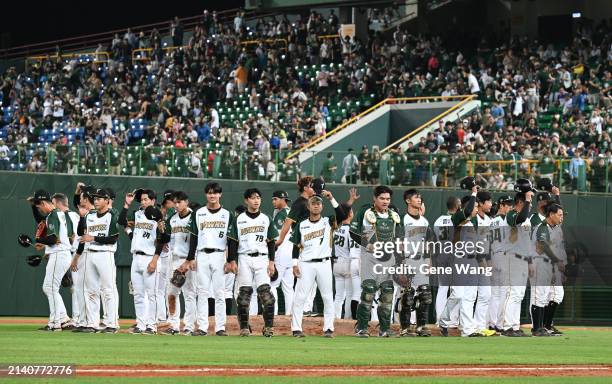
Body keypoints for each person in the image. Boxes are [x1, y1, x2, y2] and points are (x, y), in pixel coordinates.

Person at [179, 182, 233, 336]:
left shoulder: (227, 214)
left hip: (219, 255)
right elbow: (193, 237)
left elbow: (231, 240)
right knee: (202, 292)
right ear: (206, 195)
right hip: (201, 254)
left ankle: (220, 327)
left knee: (219, 293)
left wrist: (230, 260)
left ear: (220, 194)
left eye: (215, 193)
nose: (212, 195)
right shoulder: (199, 213)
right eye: (209, 193)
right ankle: (202, 327)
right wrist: (190, 258)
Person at [350, 185, 404, 338]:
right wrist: (367, 244)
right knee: (368, 292)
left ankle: (385, 329)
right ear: (375, 198)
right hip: (370, 258)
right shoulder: (365, 211)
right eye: (382, 198)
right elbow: (353, 232)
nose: (385, 201)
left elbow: (399, 237)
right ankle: (361, 328)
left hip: (389, 258)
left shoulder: (394, 215)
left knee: (387, 294)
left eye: (388, 199)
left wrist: (400, 259)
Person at [291, 191, 344, 337]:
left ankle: (328, 329)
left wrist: (332, 198)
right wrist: (294, 264)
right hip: (306, 264)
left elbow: (342, 215)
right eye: (313, 203)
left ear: (322, 206)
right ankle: (296, 329)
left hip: (324, 263)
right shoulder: (302, 225)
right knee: (300, 297)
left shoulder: (328, 221)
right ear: (308, 206)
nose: (316, 206)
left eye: (318, 203)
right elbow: (296, 245)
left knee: (327, 297)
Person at [227, 188, 278, 337]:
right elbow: (233, 242)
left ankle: (268, 327)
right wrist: (232, 260)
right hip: (244, 257)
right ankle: (244, 327)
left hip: (262, 257)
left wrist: (272, 261)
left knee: (266, 295)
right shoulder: (239, 219)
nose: (256, 200)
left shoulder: (266, 218)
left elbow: (271, 242)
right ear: (246, 200)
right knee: (243, 296)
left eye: (258, 197)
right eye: (252, 197)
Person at [119, 189, 169, 334]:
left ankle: (152, 326)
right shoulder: (137, 213)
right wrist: (127, 204)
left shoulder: (159, 216)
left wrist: (155, 260)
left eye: (146, 199)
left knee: (152, 294)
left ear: (153, 200)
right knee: (138, 294)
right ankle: (141, 324)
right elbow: (121, 221)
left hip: (150, 257)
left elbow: (163, 239)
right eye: (141, 199)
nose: (143, 202)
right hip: (136, 257)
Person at [76, 188, 120, 333]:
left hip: (105, 253)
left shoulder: (112, 214)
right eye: (95, 198)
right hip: (90, 253)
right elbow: (79, 233)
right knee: (91, 291)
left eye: (99, 198)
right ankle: (93, 323)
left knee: (108, 289)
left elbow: (113, 238)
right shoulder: (90, 215)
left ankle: (112, 323)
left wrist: (94, 238)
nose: (96, 200)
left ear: (107, 201)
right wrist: (82, 217)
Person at [31, 189, 74, 331]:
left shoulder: (53, 215)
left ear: (43, 203)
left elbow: (54, 238)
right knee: (50, 288)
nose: (40, 209)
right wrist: (44, 243)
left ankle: (54, 323)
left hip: (59, 254)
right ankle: (62, 318)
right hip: (63, 253)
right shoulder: (62, 215)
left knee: (50, 288)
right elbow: (69, 236)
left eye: (39, 206)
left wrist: (39, 240)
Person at [497, 190, 534, 337]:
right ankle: (506, 327)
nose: (530, 205)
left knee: (519, 294)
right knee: (512, 293)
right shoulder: (511, 214)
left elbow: (528, 243)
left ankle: (514, 325)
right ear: (520, 202)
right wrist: (528, 199)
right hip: (512, 257)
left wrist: (530, 261)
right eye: (526, 202)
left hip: (523, 259)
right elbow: (520, 217)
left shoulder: (527, 219)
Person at [164, 191, 197, 335]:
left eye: (179, 202)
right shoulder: (172, 218)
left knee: (189, 294)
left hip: (189, 260)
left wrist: (191, 259)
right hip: (175, 258)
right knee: (171, 293)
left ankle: (189, 326)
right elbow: (168, 237)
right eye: (175, 202)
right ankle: (173, 325)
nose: (176, 205)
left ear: (186, 202)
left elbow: (197, 240)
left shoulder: (194, 217)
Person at [532, 203, 566, 337]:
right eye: (560, 215)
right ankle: (537, 329)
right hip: (539, 263)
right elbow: (543, 246)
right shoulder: (542, 227)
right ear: (551, 215)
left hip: (549, 264)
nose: (562, 217)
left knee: (547, 296)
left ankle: (543, 327)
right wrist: (557, 261)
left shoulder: (554, 228)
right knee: (539, 296)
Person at [487, 195, 514, 334]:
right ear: (501, 205)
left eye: (511, 204)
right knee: (504, 292)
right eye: (507, 205)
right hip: (503, 256)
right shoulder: (506, 221)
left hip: (493, 256)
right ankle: (500, 324)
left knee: (494, 293)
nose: (510, 207)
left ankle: (492, 323)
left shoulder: (491, 221)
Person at [433, 196, 460, 327]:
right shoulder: (458, 220)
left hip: (441, 255)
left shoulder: (438, 220)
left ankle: (439, 320)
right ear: (457, 206)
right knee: (455, 290)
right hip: (453, 255)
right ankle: (452, 320)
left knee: (442, 289)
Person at [332, 201, 361, 320]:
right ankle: (348, 320)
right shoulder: (351, 230)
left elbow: (341, 211)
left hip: (336, 262)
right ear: (350, 214)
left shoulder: (335, 228)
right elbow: (352, 248)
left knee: (338, 295)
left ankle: (335, 319)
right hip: (348, 262)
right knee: (349, 294)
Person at [270, 191, 294, 316]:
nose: (273, 201)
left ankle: (273, 315)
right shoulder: (289, 211)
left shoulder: (282, 214)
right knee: (288, 287)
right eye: (273, 199)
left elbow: (277, 236)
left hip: (281, 252)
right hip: (291, 254)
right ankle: (289, 316)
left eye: (276, 199)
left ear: (283, 199)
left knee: (272, 284)